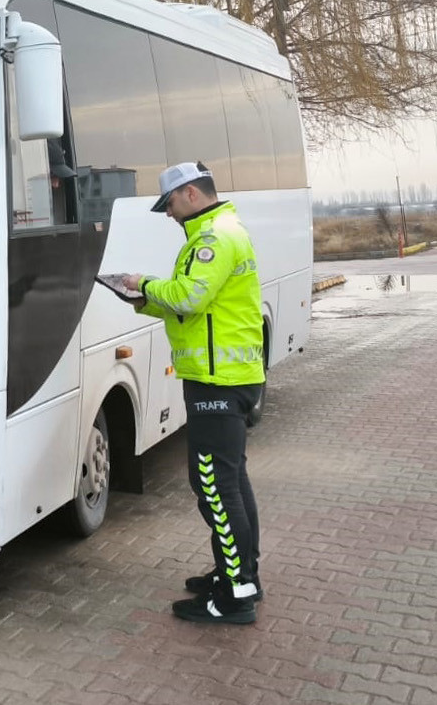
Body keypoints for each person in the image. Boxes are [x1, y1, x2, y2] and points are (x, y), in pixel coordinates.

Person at [121, 162, 266, 625]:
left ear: (189, 194)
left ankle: (235, 598)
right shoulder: (222, 230)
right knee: (232, 481)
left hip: (217, 381)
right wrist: (145, 302)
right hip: (227, 376)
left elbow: (188, 298)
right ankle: (241, 575)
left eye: (168, 204)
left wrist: (141, 284)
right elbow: (193, 310)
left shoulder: (213, 239)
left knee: (214, 487)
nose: (168, 214)